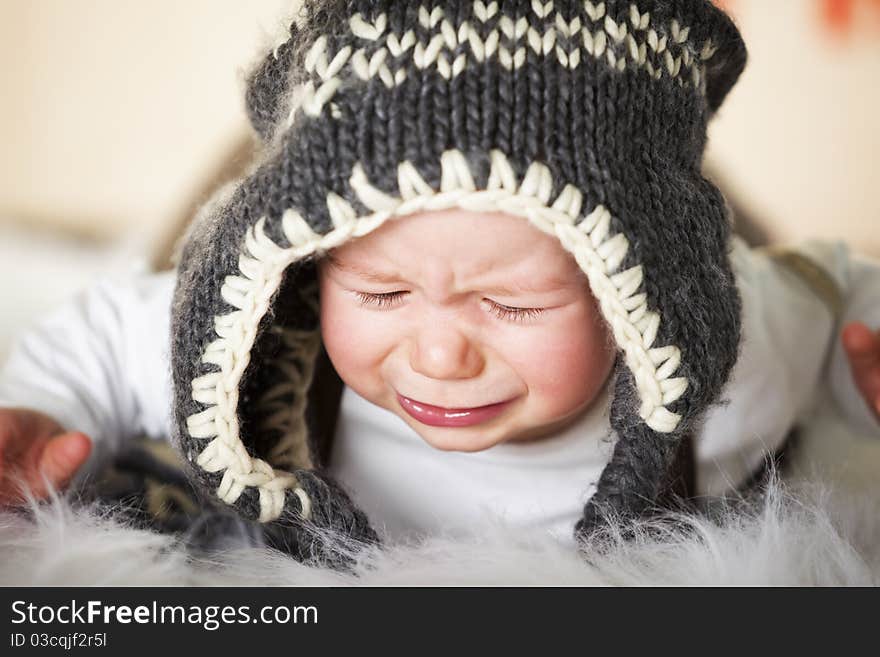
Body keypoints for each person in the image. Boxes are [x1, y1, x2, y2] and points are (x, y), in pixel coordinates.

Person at [1, 0, 879, 564]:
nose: (437, 353)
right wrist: (42, 403)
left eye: (512, 304)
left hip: (638, 170)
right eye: (381, 297)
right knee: (216, 225)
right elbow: (112, 334)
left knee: (721, 218)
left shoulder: (739, 349)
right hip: (330, 168)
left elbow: (836, 290)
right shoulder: (270, 335)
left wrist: (861, 361)